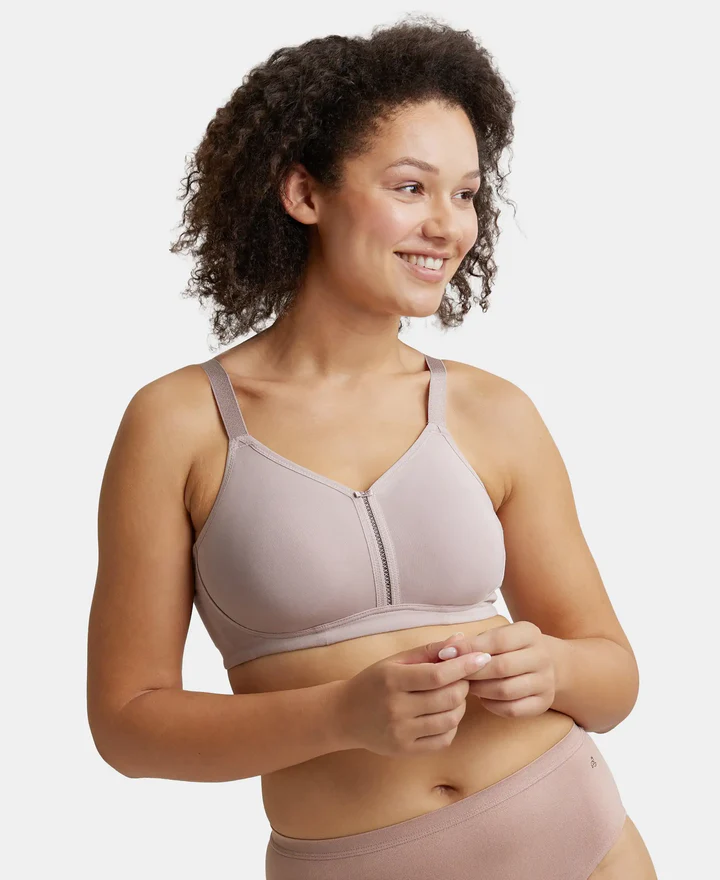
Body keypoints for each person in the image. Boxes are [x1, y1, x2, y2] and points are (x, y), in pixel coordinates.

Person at [86, 15, 657, 879]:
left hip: (582, 840)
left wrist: (554, 668)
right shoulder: (180, 424)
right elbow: (128, 725)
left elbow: (614, 679)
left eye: (465, 194)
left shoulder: (493, 412)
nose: (447, 226)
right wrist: (339, 717)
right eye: (410, 187)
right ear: (304, 194)